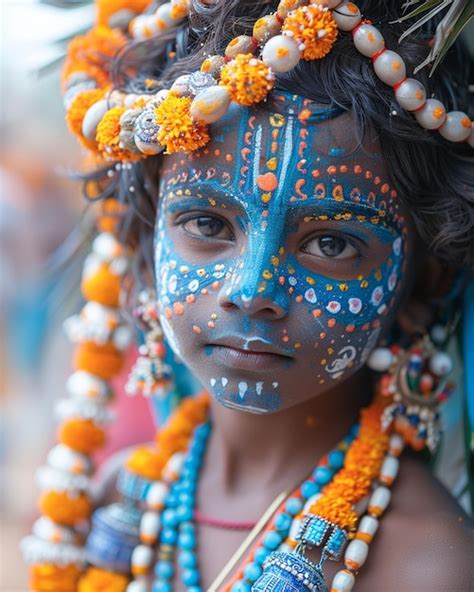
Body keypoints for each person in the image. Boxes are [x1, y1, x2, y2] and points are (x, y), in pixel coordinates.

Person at [21, 1, 474, 591]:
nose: (251, 292)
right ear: (144, 239)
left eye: (332, 244)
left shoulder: (430, 565)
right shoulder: (114, 505)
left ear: (423, 278)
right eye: (208, 226)